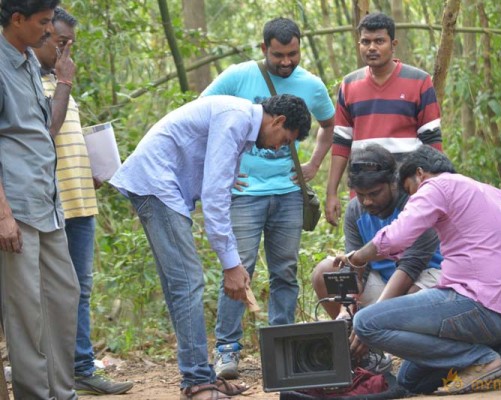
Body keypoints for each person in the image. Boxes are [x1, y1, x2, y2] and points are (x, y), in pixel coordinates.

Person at [109, 94, 311, 400]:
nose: (279, 148)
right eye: (285, 139)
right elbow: (215, 197)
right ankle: (197, 382)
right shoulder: (236, 118)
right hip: (157, 183)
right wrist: (231, 264)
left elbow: (219, 185)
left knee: (181, 284)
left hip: (162, 187)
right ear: (278, 121)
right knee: (188, 282)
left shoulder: (242, 126)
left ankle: (200, 376)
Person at [334, 146, 501, 395]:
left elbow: (397, 238)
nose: (412, 199)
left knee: (366, 323)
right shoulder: (489, 191)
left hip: (471, 303)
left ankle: (481, 359)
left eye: (410, 191)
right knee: (411, 380)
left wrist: (357, 257)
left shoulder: (434, 186)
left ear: (420, 173)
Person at [201, 17, 335, 379]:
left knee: (285, 272)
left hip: (289, 194)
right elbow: (201, 115)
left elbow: (329, 125)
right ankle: (227, 350)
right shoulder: (237, 76)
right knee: (237, 268)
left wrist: (313, 165)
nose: (286, 61)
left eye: (293, 54)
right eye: (279, 55)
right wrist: (221, 172)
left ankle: (283, 347)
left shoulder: (312, 85)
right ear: (264, 49)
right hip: (244, 193)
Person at [33, 7, 134, 395]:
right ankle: (56, 369)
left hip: (80, 200)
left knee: (80, 289)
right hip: (50, 204)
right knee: (52, 291)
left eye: (70, 44)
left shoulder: (60, 82)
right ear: (42, 36)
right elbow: (48, 129)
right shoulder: (35, 80)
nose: (66, 51)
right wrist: (63, 82)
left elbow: (65, 137)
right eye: (59, 42)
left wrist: (94, 170)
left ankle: (80, 365)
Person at [0, 1, 81, 399]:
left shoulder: (29, 60)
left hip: (47, 202)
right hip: (14, 205)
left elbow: (45, 129)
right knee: (26, 311)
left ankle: (62, 392)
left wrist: (63, 82)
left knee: (64, 297)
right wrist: (2, 216)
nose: (49, 31)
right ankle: (35, 395)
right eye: (43, 23)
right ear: (17, 20)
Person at [311, 144, 442, 373]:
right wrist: (347, 307)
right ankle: (368, 354)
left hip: (427, 280)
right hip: (384, 282)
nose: (368, 202)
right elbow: (356, 266)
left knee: (410, 300)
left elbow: (410, 269)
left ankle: (378, 338)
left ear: (393, 182)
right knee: (324, 271)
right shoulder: (355, 211)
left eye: (374, 193)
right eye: (361, 196)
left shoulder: (415, 204)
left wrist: (370, 320)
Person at [325, 12, 443, 226]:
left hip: (408, 191)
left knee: (411, 255)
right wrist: (331, 192)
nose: (371, 47)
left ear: (393, 44)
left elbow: (432, 142)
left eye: (379, 41)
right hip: (364, 193)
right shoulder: (349, 85)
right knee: (366, 255)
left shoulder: (419, 81)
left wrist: (437, 189)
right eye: (366, 42)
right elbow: (341, 143)